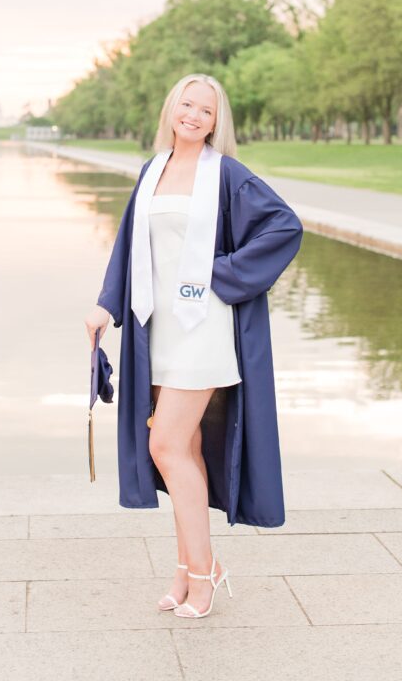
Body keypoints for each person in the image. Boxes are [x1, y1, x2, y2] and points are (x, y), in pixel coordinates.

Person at [84, 73, 303, 619]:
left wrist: (218, 271)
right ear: (172, 109)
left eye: (206, 110)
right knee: (183, 450)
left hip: (202, 328)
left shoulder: (225, 174)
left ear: (216, 121)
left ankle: (205, 573)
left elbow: (284, 227)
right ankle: (187, 570)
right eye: (188, 104)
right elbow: (129, 250)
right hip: (157, 328)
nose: (195, 116)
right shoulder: (151, 170)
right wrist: (105, 307)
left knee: (166, 446)